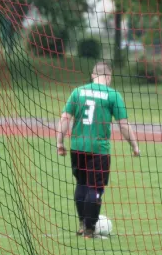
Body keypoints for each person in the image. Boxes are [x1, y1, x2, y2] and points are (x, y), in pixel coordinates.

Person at [56, 62, 140, 239]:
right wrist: (134, 145)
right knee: (95, 188)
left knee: (81, 184)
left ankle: (82, 224)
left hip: (77, 147)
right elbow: (123, 125)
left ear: (93, 75)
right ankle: (89, 229)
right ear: (109, 77)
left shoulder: (77, 91)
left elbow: (65, 118)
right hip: (99, 150)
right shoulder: (113, 95)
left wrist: (59, 142)